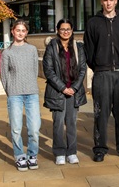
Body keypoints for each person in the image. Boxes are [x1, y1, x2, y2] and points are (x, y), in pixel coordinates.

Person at [83, 0, 119, 162]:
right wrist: (99, 65)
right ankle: (100, 148)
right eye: (105, 0)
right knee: (101, 113)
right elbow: (89, 50)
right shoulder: (93, 23)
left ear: (116, 1)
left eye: (111, 0)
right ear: (101, 1)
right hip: (102, 74)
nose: (108, 3)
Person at [43, 19, 87, 165]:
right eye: (62, 29)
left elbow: (82, 69)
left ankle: (72, 152)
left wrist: (74, 88)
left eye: (68, 29)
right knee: (58, 123)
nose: (65, 32)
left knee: (72, 122)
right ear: (57, 30)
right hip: (58, 92)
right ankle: (59, 152)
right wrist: (63, 87)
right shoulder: (52, 47)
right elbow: (48, 70)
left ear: (72, 30)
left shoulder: (78, 47)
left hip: (74, 91)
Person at [0, 19, 41, 172]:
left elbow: (35, 70)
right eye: (18, 30)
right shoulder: (7, 52)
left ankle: (32, 154)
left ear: (26, 33)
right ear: (13, 31)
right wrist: (10, 91)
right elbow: (4, 76)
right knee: (16, 128)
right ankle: (19, 156)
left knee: (34, 128)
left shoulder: (32, 50)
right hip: (15, 94)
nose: (20, 33)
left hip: (32, 93)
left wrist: (31, 84)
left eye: (23, 31)